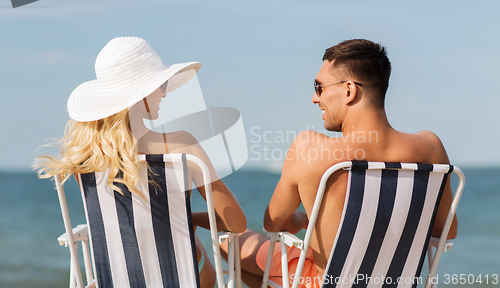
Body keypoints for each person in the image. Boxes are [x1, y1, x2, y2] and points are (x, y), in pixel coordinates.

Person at [220, 39, 457, 288]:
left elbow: (274, 224)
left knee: (229, 244)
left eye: (319, 87)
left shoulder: (309, 147)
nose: (314, 98)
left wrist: (303, 220)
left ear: (348, 90)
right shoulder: (431, 148)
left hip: (321, 283)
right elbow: (446, 234)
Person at [35, 37, 246, 288]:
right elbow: (236, 222)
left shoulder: (85, 160)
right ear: (142, 93)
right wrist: (192, 219)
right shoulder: (181, 146)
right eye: (161, 84)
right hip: (183, 281)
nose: (165, 93)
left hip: (116, 282)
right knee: (186, 237)